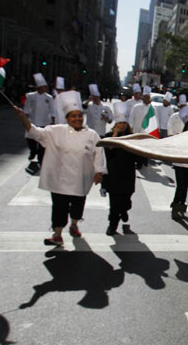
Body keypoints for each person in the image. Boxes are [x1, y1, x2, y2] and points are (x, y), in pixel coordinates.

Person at [13, 90, 106, 246]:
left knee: (77, 205)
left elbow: (99, 154)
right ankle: (57, 234)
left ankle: (74, 224)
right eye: (73, 116)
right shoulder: (55, 131)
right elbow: (35, 132)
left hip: (81, 178)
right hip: (60, 178)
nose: (77, 118)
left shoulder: (92, 135)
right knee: (59, 207)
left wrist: (99, 172)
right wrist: (24, 118)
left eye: (79, 116)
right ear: (67, 118)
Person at [103, 105, 139, 236]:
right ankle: (112, 225)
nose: (122, 125)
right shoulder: (108, 136)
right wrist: (115, 135)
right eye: (120, 123)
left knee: (126, 200)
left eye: (124, 123)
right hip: (113, 174)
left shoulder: (132, 137)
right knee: (114, 203)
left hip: (128, 174)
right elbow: (107, 152)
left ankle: (124, 210)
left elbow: (137, 155)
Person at [168, 106, 188, 220]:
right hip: (179, 164)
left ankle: (181, 207)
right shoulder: (180, 136)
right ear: (187, 125)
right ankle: (175, 207)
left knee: (185, 187)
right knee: (180, 186)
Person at [23, 73, 55, 173]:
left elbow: (52, 110)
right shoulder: (31, 96)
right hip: (32, 121)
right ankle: (33, 151)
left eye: (45, 87)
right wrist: (25, 118)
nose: (44, 88)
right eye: (42, 87)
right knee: (30, 139)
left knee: (42, 142)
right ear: (38, 87)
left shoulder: (49, 97)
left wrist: (53, 121)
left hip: (45, 122)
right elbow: (27, 108)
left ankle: (41, 159)